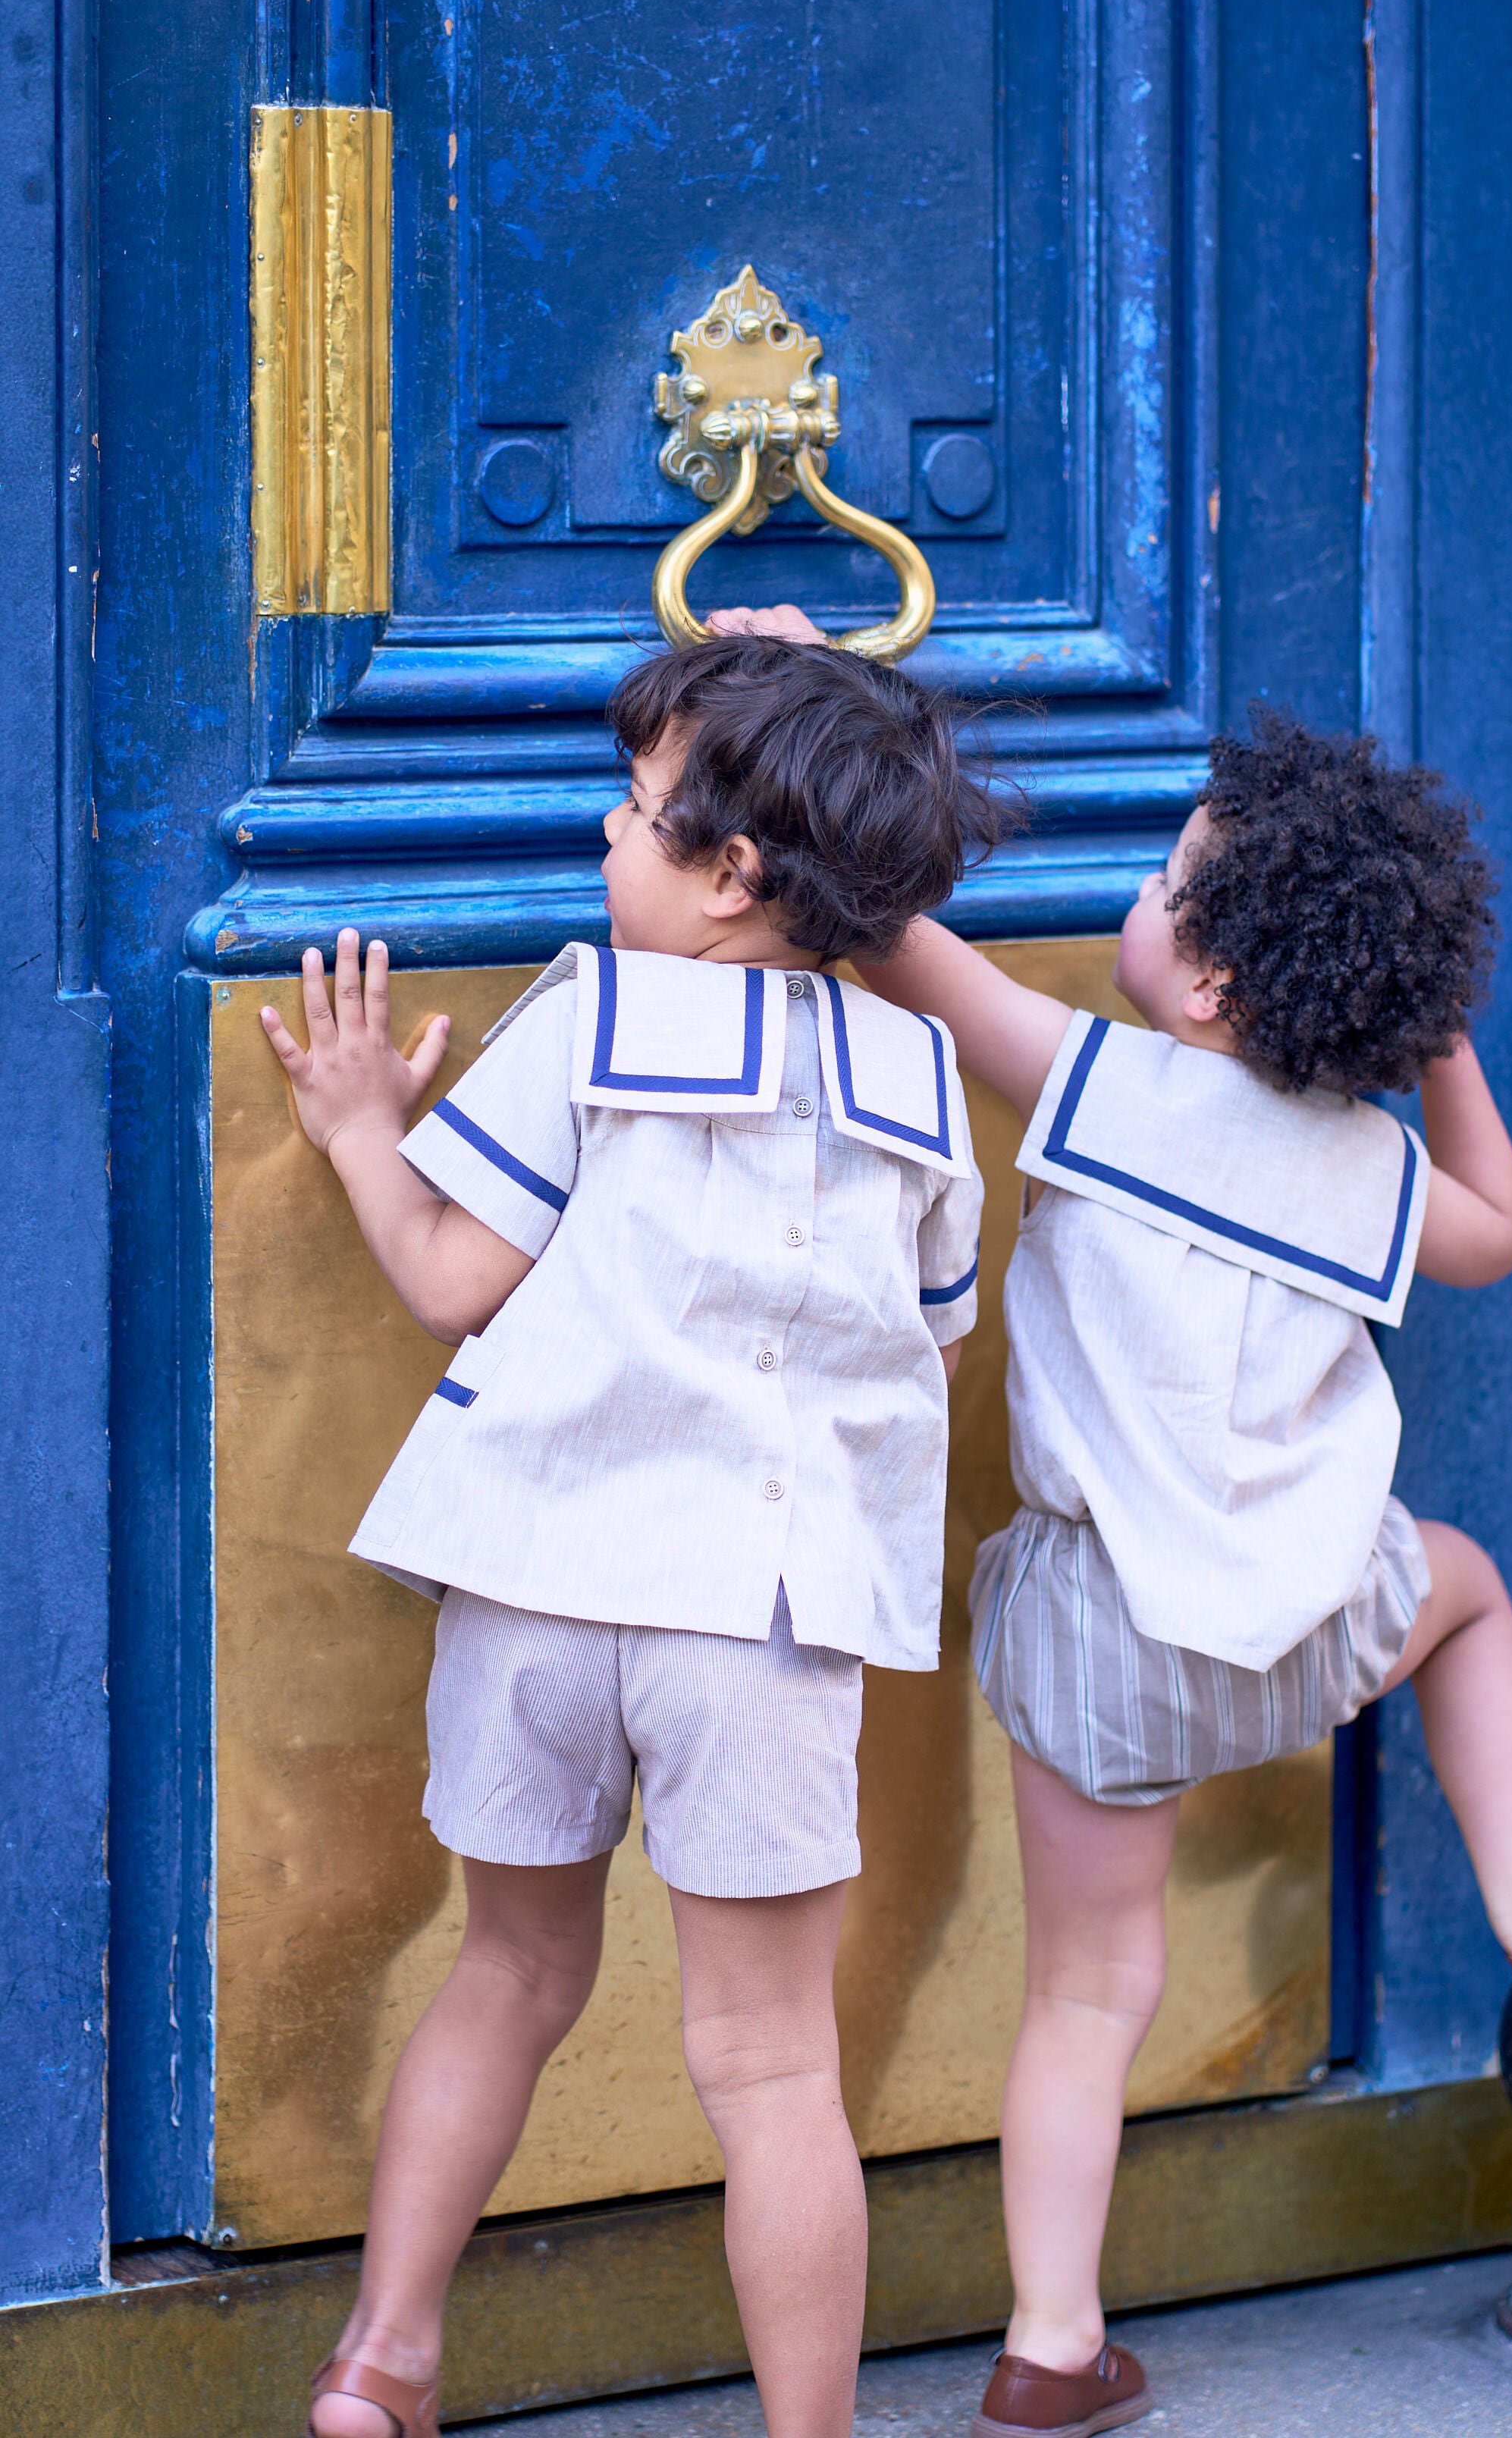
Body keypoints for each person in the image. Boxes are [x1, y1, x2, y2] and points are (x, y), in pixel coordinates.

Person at [854, 707, 1512, 2437]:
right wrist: (1442, 1044)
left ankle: (1051, 2347)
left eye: (1163, 884)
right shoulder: (1368, 1165)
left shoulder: (1096, 1084)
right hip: (1303, 1630)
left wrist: (808, 701)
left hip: (1101, 1654)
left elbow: (895, 939)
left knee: (1085, 1994)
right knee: (1466, 1590)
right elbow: (1501, 1230)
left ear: (1207, 982)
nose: (1136, 898)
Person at [259, 633, 1007, 2438]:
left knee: (507, 1974)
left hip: (537, 1588)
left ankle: (384, 2359)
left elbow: (454, 1280)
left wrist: (362, 1129)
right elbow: (933, 1342)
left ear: (732, 870)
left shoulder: (590, 1018)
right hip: (755, 1616)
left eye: (634, 805)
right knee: (771, 2067)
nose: (605, 830)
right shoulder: (921, 1085)